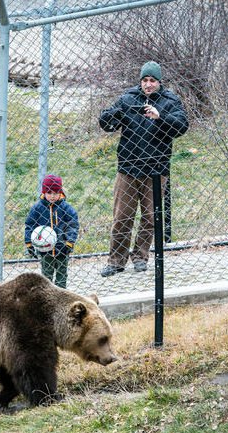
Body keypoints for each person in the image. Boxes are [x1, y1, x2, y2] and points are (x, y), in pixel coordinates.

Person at [99, 61, 189, 277]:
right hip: (128, 168)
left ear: (159, 82)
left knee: (150, 217)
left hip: (156, 170)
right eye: (145, 80)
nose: (148, 84)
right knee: (122, 217)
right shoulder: (128, 98)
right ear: (140, 81)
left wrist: (160, 117)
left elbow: (182, 127)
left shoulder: (170, 101)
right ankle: (116, 260)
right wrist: (116, 115)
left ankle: (140, 256)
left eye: (152, 80)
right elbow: (105, 122)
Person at [25, 174, 79, 289]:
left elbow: (73, 225)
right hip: (45, 250)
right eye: (49, 193)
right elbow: (29, 225)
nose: (52, 196)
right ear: (44, 192)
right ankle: (47, 296)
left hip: (62, 248)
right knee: (46, 276)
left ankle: (61, 295)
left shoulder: (66, 208)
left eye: (55, 193)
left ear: (60, 192)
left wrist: (69, 242)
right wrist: (29, 243)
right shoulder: (37, 208)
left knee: (62, 275)